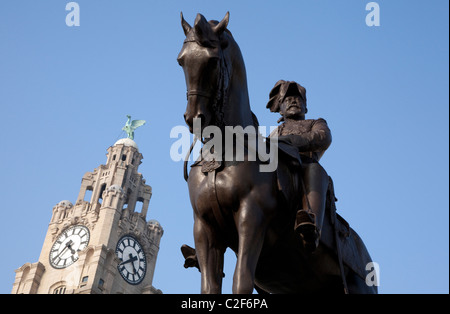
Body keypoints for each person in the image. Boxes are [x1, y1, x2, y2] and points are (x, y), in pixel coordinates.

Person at [267, 80, 332, 252]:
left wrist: (292, 141)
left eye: (298, 98)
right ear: (280, 109)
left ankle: (312, 227)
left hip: (304, 167)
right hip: (278, 170)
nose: (293, 101)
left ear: (305, 107)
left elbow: (323, 138)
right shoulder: (274, 132)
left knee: (314, 169)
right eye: (287, 99)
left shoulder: (316, 123)